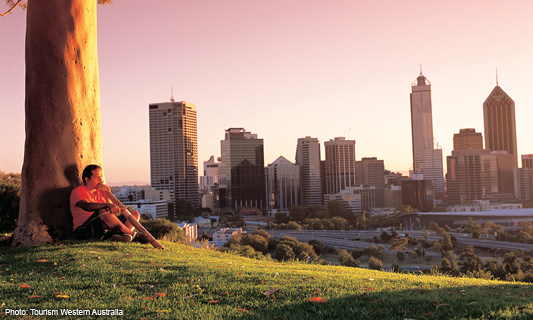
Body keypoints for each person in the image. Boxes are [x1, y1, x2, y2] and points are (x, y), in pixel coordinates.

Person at [70, 164, 140, 242]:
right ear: (87, 179)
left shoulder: (100, 191)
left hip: (103, 226)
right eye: (97, 177)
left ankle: (121, 236)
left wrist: (107, 194)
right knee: (102, 211)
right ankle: (132, 234)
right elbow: (87, 206)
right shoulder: (79, 190)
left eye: (101, 176)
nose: (101, 180)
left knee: (134, 214)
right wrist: (107, 205)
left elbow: (112, 215)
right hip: (85, 229)